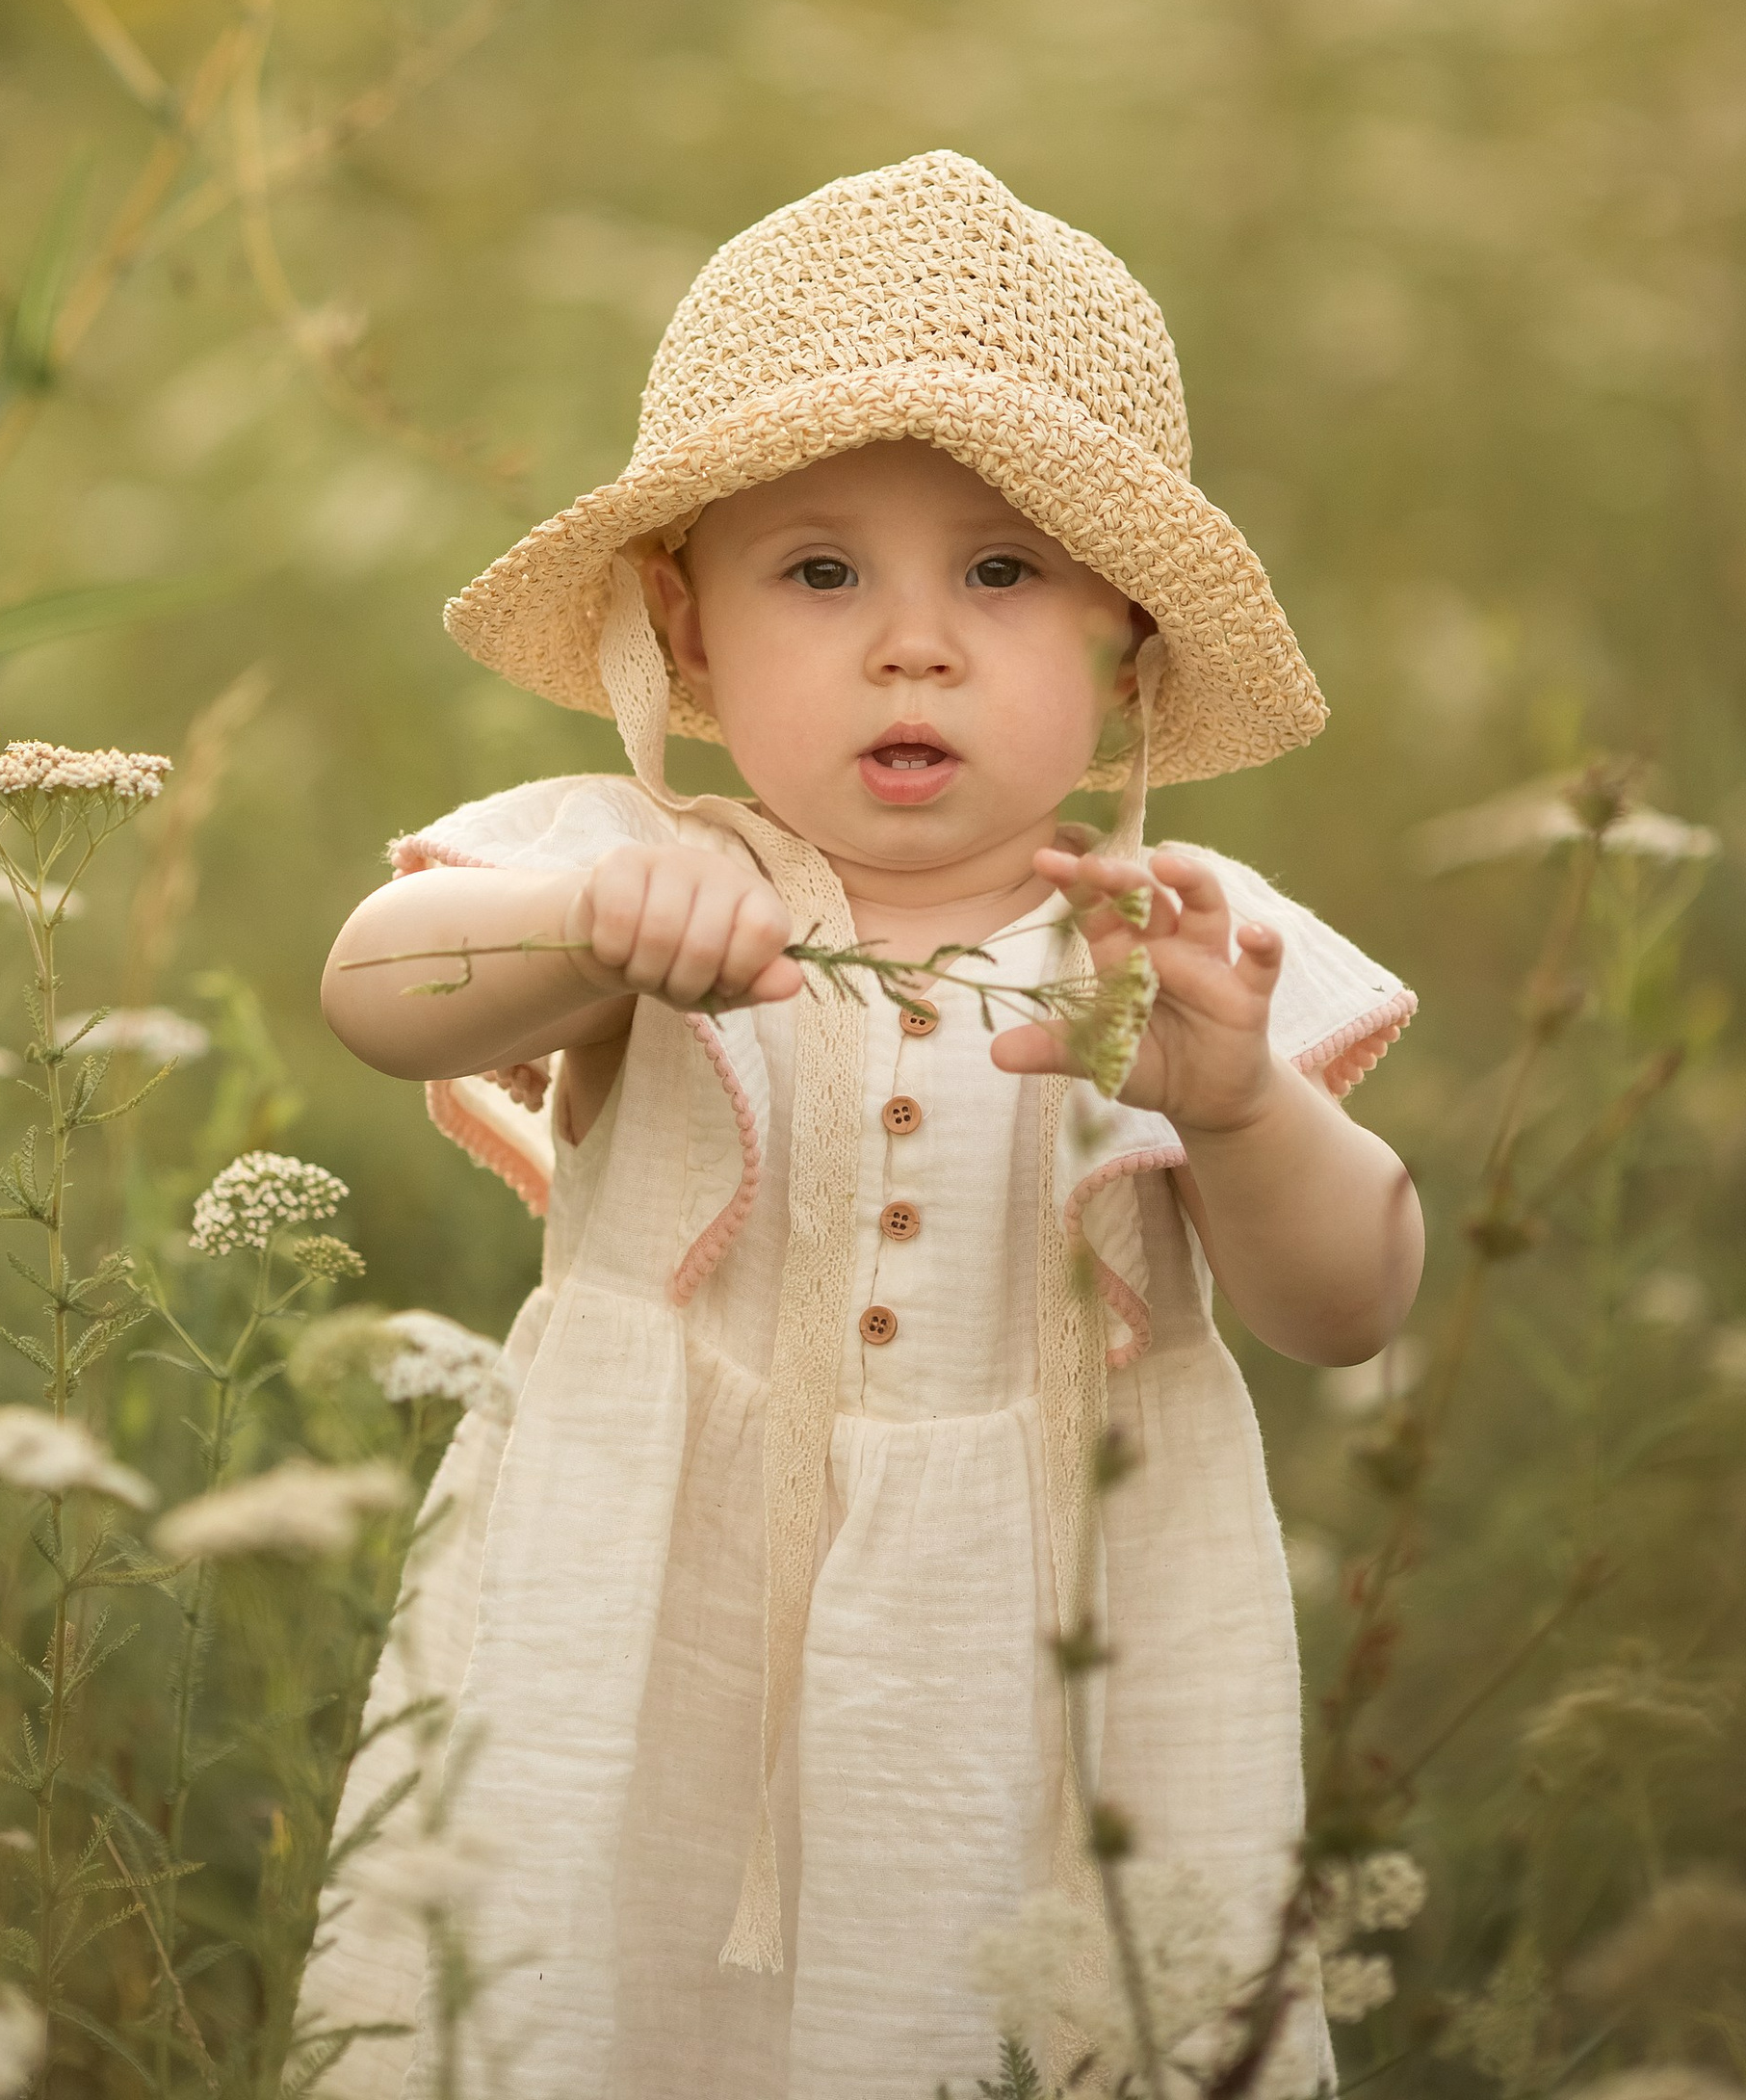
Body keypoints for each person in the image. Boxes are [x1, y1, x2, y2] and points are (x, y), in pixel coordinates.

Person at [304, 151, 1422, 2100]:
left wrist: (1237, 1107)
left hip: (1046, 1647)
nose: (912, 643)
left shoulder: (1173, 954)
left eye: (1001, 574)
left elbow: (1350, 1306)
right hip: (642, 1601)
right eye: (819, 572)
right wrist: (577, 932)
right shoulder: (631, 866)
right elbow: (373, 992)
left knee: (1025, 2029)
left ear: (1127, 652)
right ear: (691, 635)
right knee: (590, 1985)